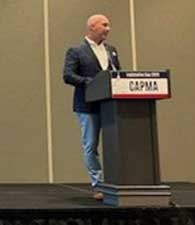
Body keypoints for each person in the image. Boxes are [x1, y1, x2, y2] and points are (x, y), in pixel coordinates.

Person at [63, 14, 120, 201]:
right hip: (87, 106)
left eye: (108, 25)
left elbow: (118, 75)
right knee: (91, 146)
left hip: (110, 105)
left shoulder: (111, 51)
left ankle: (116, 182)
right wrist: (90, 82)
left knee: (115, 144)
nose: (108, 28)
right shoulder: (76, 50)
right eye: (105, 25)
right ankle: (98, 184)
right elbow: (68, 75)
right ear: (92, 27)